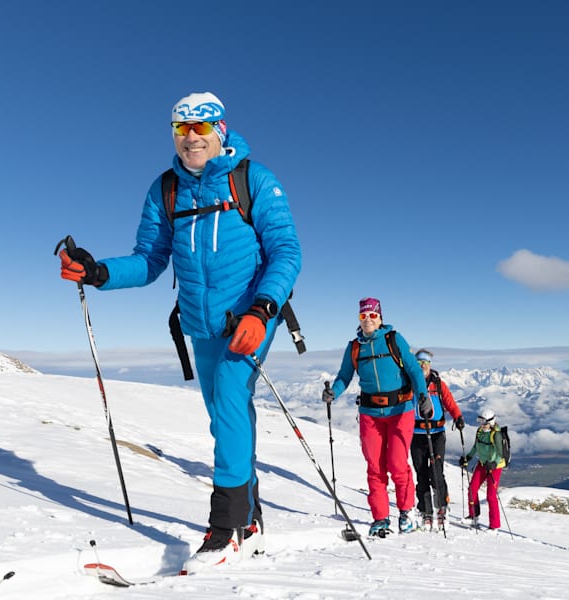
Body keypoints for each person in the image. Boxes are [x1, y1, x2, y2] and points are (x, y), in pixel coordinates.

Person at [57, 92, 301, 572]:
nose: (191, 137)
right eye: (181, 128)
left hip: (251, 317)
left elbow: (286, 251)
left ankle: (226, 529)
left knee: (229, 403)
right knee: (224, 417)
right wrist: (99, 272)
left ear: (220, 130)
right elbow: (149, 259)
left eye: (200, 127)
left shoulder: (254, 179)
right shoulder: (165, 189)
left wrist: (262, 308)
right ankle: (250, 519)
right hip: (200, 325)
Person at [322, 298, 431, 537]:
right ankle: (380, 518)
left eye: (372, 315)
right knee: (375, 467)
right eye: (363, 316)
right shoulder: (354, 347)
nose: (368, 320)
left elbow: (413, 369)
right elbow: (344, 376)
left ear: (380, 318)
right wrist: (334, 393)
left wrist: (423, 395)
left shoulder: (394, 339)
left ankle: (406, 512)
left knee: (397, 464)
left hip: (400, 410)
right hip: (370, 414)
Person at [410, 349, 464, 531]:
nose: (422, 366)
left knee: (436, 472)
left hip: (437, 434)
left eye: (425, 363)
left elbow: (449, 402)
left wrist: (458, 417)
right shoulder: (410, 384)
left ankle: (442, 507)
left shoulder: (438, 384)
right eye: (419, 363)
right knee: (421, 474)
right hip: (416, 434)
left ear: (430, 365)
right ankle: (425, 511)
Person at [459, 408, 506, 530]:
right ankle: (473, 516)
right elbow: (476, 446)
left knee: (491, 495)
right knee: (472, 489)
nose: (482, 425)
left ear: (490, 422)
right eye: (480, 422)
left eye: (484, 422)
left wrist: (494, 464)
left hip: (495, 467)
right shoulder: (480, 431)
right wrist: (468, 457)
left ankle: (494, 526)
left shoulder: (496, 435)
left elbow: (500, 453)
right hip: (482, 464)